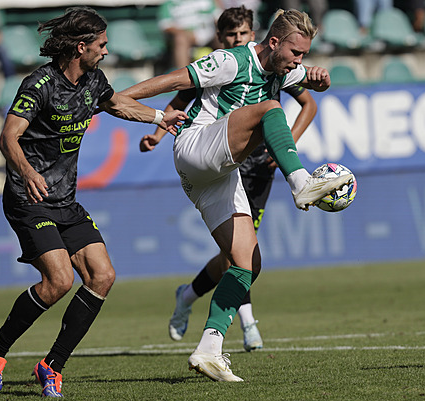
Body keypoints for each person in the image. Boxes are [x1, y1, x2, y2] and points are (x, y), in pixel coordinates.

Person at [121, 9, 353, 381]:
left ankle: (209, 348)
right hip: (196, 146)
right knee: (270, 109)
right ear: (274, 43)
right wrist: (113, 100)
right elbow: (171, 81)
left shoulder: (285, 68)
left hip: (216, 175)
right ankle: (301, 183)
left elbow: (313, 86)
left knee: (247, 262)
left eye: (305, 55)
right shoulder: (230, 61)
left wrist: (319, 79)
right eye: (296, 53)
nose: (299, 61)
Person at [0, 7, 187, 397]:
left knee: (103, 277)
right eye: (101, 45)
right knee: (59, 280)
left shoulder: (94, 81)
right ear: (81, 46)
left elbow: (119, 104)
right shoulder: (39, 85)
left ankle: (51, 367)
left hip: (65, 199)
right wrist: (27, 171)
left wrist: (160, 116)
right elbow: (8, 137)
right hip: (29, 197)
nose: (106, 52)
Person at [157, 0, 220, 70]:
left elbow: (218, 17)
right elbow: (166, 26)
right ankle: (182, 74)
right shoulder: (169, 3)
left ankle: (227, 70)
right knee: (180, 39)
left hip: (209, 33)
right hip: (186, 36)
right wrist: (186, 33)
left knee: (222, 35)